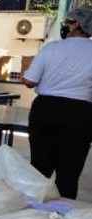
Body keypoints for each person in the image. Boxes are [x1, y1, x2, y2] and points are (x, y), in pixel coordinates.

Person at [22, 8, 92, 200]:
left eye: (68, 21)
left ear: (77, 24)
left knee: (39, 170)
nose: (65, 25)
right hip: (81, 115)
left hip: (46, 111)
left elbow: (29, 81)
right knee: (69, 174)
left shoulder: (51, 48)